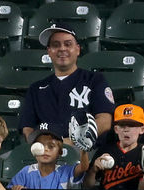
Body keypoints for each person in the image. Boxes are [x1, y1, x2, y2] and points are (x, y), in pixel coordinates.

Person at [19, 22, 114, 150]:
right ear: (49, 52)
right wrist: (42, 147)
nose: (62, 49)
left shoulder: (95, 80)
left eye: (68, 44)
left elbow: (105, 121)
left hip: (86, 152)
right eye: (55, 45)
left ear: (78, 49)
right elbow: (27, 128)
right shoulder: (36, 89)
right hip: (46, 153)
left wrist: (73, 142)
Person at [83, 103, 144, 190]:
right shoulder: (105, 150)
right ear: (116, 129)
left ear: (142, 129)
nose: (126, 130)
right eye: (122, 125)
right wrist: (93, 171)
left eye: (131, 125)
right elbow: (87, 187)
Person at [7, 123, 89, 190]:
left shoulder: (64, 172)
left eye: (51, 146)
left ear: (60, 151)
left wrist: (83, 148)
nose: (45, 149)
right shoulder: (26, 172)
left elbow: (84, 167)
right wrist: (16, 189)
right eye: (40, 146)